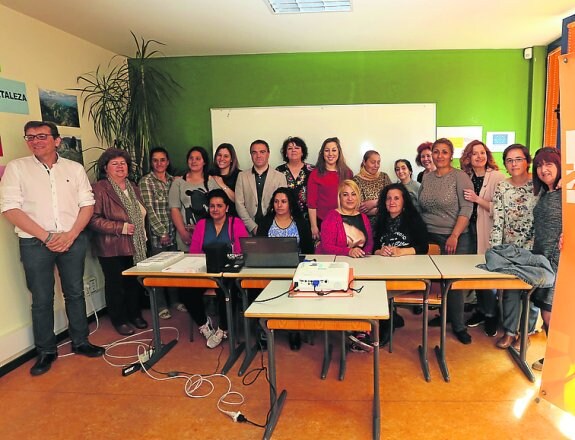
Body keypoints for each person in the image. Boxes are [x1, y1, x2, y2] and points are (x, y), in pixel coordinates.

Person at [0, 121, 104, 376]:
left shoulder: (74, 168)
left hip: (73, 238)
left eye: (42, 136)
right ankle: (46, 351)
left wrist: (70, 235)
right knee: (41, 299)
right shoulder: (17, 168)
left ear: (57, 140)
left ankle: (81, 341)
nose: (36, 141)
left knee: (75, 292)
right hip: (35, 243)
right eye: (30, 137)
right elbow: (10, 209)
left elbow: (87, 205)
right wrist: (47, 237)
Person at [419, 138, 474, 344]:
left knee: (453, 283)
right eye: (436, 151)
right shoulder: (427, 177)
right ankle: (446, 315)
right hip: (430, 237)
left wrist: (454, 235)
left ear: (451, 155)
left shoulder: (460, 177)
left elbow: (467, 208)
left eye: (444, 152)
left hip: (455, 236)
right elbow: (423, 206)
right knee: (439, 283)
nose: (439, 155)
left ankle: (459, 326)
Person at [90, 148, 149, 336]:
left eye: (123, 163)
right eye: (114, 164)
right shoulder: (100, 188)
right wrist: (120, 227)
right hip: (111, 246)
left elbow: (141, 215)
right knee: (116, 285)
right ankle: (119, 319)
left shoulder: (133, 187)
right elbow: (93, 219)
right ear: (105, 168)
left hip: (135, 244)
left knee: (132, 283)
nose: (120, 167)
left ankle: (134, 314)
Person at [490, 144, 539, 351]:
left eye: (518, 159)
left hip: (535, 248)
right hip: (509, 248)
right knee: (510, 291)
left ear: (527, 161)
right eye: (509, 160)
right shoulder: (502, 186)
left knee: (532, 292)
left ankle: (526, 333)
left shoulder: (539, 184)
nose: (514, 164)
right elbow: (498, 218)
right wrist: (494, 249)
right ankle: (510, 332)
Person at [185, 189, 249, 348]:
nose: (215, 209)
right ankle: (204, 324)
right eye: (212, 206)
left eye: (219, 206)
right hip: (205, 271)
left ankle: (223, 329)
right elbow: (194, 253)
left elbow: (244, 251)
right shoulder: (202, 224)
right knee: (185, 290)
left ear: (227, 207)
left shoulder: (236, 223)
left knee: (227, 291)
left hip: (228, 273)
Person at [257, 187, 314, 350]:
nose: (279, 205)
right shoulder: (266, 221)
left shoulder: (300, 222)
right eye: (276, 201)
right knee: (258, 291)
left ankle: (293, 330)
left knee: (293, 295)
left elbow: (308, 250)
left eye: (283, 201)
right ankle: (264, 330)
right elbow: (258, 247)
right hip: (269, 268)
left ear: (290, 204)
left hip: (295, 270)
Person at [372, 183, 429, 346]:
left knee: (380, 290)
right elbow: (373, 248)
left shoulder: (414, 220)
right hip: (383, 271)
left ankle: (385, 327)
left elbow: (423, 247)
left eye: (396, 198)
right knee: (373, 285)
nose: (392, 202)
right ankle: (389, 317)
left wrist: (401, 252)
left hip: (407, 273)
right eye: (388, 198)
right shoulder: (380, 220)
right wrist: (379, 251)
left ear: (404, 201)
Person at [459, 140, 505, 337]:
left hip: (487, 231)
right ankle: (481, 309)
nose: (479, 156)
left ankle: (491, 314)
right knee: (475, 272)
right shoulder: (465, 176)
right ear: (468, 158)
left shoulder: (497, 177)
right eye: (474, 153)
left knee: (488, 273)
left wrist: (478, 200)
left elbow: (501, 209)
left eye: (482, 152)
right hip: (469, 231)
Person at [139, 147, 185, 320]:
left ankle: (174, 301)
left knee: (173, 269)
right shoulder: (146, 181)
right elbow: (149, 210)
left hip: (175, 232)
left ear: (168, 161)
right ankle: (161, 306)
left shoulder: (174, 180)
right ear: (151, 163)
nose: (159, 163)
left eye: (162, 160)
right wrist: (162, 232)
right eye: (155, 160)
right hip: (159, 235)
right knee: (158, 270)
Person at [530, 147, 562, 371]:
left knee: (551, 314)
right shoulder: (545, 193)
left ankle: (560, 359)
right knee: (547, 312)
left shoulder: (567, 191)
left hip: (561, 261)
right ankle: (555, 356)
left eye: (549, 163)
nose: (544, 169)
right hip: (543, 260)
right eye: (540, 165)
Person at [235, 139, 287, 235]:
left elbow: (283, 204)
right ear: (251, 155)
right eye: (254, 152)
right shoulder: (242, 176)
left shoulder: (280, 177)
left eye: (262, 152)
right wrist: (252, 227)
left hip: (274, 227)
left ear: (268, 154)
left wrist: (270, 226)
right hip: (248, 229)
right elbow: (239, 204)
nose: (258, 156)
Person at [307, 137, 353, 241]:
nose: (330, 154)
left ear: (339, 152)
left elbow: (352, 200)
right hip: (322, 221)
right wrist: (314, 226)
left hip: (344, 221)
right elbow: (311, 203)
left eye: (334, 150)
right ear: (322, 153)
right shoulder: (315, 174)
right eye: (327, 150)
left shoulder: (347, 173)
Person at [316, 179, 373, 258]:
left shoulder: (363, 217)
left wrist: (363, 255)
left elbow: (369, 243)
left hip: (360, 261)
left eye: (353, 194)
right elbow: (326, 247)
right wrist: (349, 252)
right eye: (345, 195)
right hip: (335, 262)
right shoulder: (332, 217)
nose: (350, 198)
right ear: (340, 197)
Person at [169, 146, 210, 250]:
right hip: (186, 235)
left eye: (198, 158)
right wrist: (183, 232)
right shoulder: (178, 182)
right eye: (191, 158)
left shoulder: (212, 181)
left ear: (204, 162)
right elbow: (174, 209)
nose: (194, 161)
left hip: (208, 234)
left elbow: (218, 208)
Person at [275, 136, 314, 217]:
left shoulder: (312, 170)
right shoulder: (279, 170)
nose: (293, 150)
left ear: (302, 152)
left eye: (297, 147)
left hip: (308, 216)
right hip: (285, 216)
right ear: (285, 153)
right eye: (289, 148)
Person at [353, 150, 392, 229]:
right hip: (366, 226)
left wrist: (374, 203)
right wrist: (384, 207)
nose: (376, 165)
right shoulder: (356, 180)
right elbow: (360, 209)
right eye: (373, 162)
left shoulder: (384, 177)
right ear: (364, 162)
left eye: (378, 162)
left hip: (387, 224)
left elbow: (392, 199)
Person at [208, 143, 241, 215]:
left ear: (232, 159)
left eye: (226, 156)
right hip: (213, 218)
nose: (221, 159)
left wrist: (222, 185)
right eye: (219, 155)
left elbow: (239, 201)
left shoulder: (240, 175)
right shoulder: (210, 173)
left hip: (233, 218)